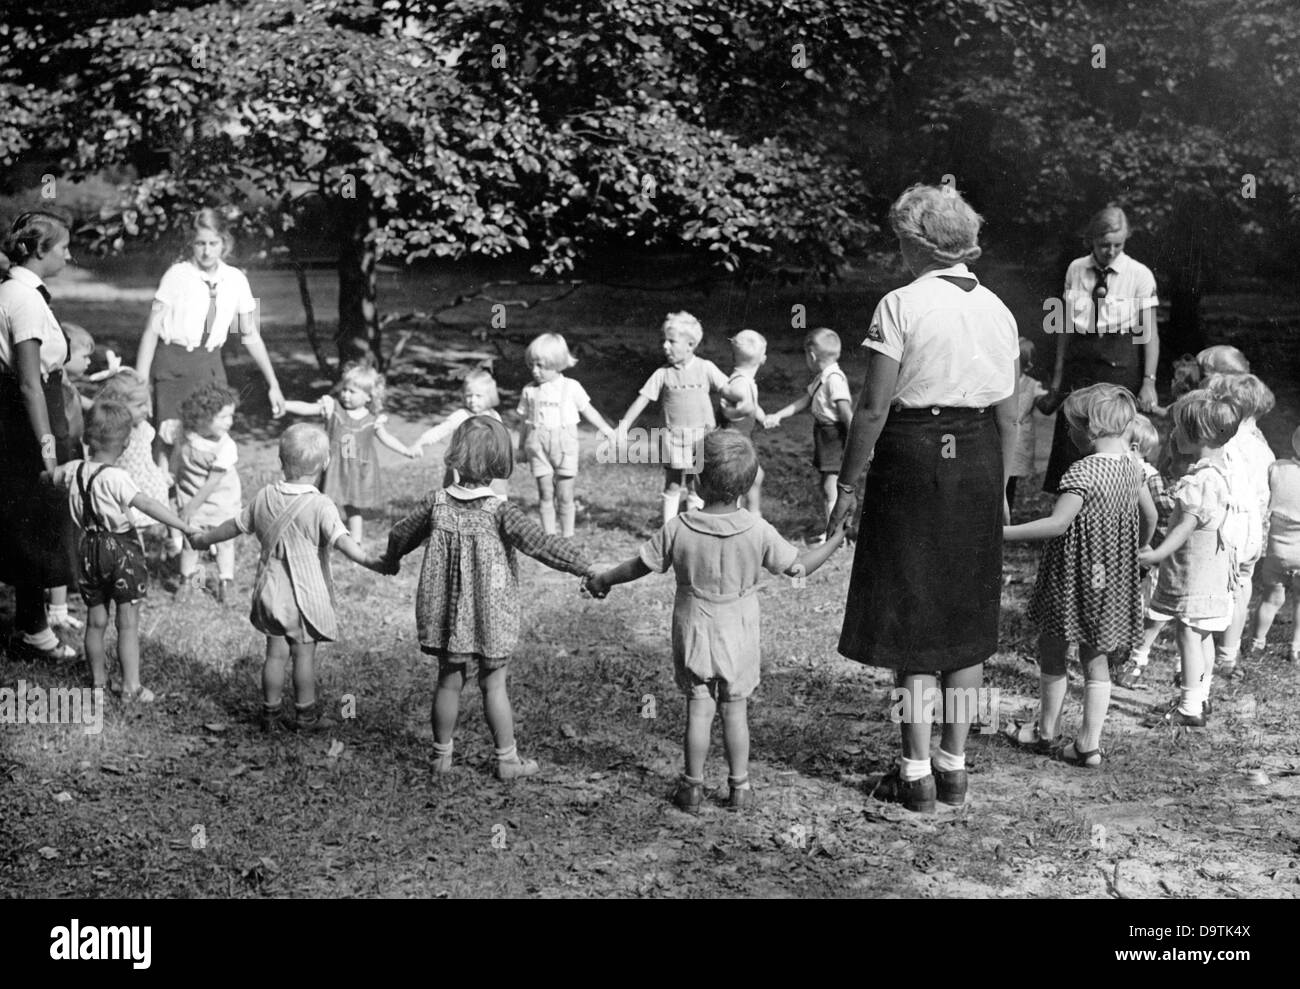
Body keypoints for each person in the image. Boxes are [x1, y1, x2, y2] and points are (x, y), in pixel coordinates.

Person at [826, 183, 1019, 813]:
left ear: (918, 243)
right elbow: (1011, 419)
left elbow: (874, 406)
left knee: (915, 612)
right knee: (964, 619)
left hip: (912, 453)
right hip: (981, 458)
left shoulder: (900, 304)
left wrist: (848, 484)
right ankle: (954, 768)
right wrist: (1003, 491)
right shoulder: (1000, 310)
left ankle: (915, 775)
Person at [586, 431, 844, 812]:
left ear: (697, 480)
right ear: (749, 483)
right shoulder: (757, 529)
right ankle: (739, 787)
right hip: (738, 632)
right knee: (734, 710)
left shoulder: (679, 527)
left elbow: (639, 566)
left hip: (693, 628)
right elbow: (798, 567)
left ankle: (692, 787)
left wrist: (604, 578)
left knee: (699, 708)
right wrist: (834, 542)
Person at [379, 416, 601, 780]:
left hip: (447, 616)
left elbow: (400, 533)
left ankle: (440, 757)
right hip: (490, 616)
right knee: (493, 683)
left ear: (455, 456)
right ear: (500, 462)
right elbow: (542, 544)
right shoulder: (500, 511)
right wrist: (585, 567)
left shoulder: (436, 503)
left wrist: (390, 560)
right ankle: (506, 760)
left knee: (448, 680)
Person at [191, 424, 387, 731]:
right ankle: (304, 716)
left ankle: (270, 714)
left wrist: (204, 540)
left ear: (281, 460)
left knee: (274, 654)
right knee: (303, 656)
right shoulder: (321, 505)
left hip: (270, 592)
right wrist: (371, 561)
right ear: (325, 463)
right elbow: (344, 543)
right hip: (304, 597)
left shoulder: (264, 497)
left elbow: (232, 526)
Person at [1003, 385, 1156, 767]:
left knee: (1053, 649)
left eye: (1071, 425)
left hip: (1073, 576)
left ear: (1089, 430)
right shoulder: (1132, 467)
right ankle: (1088, 744)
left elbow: (1057, 525)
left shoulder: (1083, 470)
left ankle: (1045, 731)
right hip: (1112, 575)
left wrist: (1000, 534)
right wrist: (1137, 549)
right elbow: (1150, 515)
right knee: (1095, 656)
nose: (1067, 432)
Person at [48, 401, 201, 702]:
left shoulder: (73, 471)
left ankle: (98, 686)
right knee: (127, 622)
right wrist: (183, 527)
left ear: (86, 438)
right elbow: (149, 505)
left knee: (96, 620)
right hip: (121, 550)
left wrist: (45, 455)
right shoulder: (117, 477)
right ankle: (131, 686)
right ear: (127, 443)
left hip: (88, 548)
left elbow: (49, 476)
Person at [0, 209, 79, 661]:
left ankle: (36, 622)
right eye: (63, 247)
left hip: (26, 411)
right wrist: (48, 448)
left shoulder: (14, 290)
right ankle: (34, 631)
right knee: (37, 517)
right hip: (33, 415)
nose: (69, 255)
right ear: (40, 251)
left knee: (32, 518)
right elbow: (30, 381)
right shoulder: (25, 300)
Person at [1137, 391, 1241, 727]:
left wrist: (1157, 552)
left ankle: (1189, 707)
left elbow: (1185, 526)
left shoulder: (1199, 481)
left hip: (1195, 572)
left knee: (1188, 634)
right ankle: (1199, 695)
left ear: (1202, 436)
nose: (1174, 435)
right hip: (1212, 570)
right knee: (1203, 634)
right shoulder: (1219, 473)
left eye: (1180, 429)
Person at [135, 208, 285, 432]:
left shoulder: (236, 279)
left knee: (211, 439)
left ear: (225, 243)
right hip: (173, 367)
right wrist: (141, 384)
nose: (206, 251)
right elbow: (151, 332)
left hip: (211, 367)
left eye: (213, 243)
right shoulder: (176, 275)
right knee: (171, 440)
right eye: (200, 244)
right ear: (191, 244)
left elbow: (250, 334)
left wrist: (273, 383)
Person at [1044, 206, 1160, 493]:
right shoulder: (1076, 269)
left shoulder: (1139, 274)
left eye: (1118, 245)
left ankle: (1113, 502)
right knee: (1073, 436)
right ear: (1092, 240)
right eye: (1104, 244)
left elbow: (1149, 333)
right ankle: (1068, 508)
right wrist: (1058, 379)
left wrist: (1149, 382)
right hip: (1080, 359)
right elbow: (1064, 325)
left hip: (1120, 360)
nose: (1110, 251)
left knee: (1112, 435)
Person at [618, 312, 746, 525]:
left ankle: (693, 526)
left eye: (671, 341)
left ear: (691, 344)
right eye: (663, 341)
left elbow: (729, 389)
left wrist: (743, 395)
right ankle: (669, 529)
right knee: (673, 483)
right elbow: (642, 400)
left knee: (698, 483)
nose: (665, 347)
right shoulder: (662, 374)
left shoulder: (705, 368)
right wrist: (624, 427)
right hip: (673, 437)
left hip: (701, 438)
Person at [283, 361, 419, 542]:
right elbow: (309, 408)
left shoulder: (372, 420)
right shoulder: (334, 410)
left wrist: (406, 450)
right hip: (333, 468)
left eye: (352, 391)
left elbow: (387, 439)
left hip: (357, 470)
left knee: (353, 507)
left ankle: (356, 542)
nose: (346, 395)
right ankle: (317, 536)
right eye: (344, 389)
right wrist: (284, 404)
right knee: (323, 502)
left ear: (368, 396)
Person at [1203, 371, 1275, 676]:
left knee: (1212, 583)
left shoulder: (1228, 443)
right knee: (1242, 586)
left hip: (1229, 524)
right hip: (1254, 526)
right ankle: (1228, 653)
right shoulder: (1262, 445)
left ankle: (1199, 645)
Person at [515, 333, 615, 536]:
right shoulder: (529, 391)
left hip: (564, 445)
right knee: (545, 493)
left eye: (541, 366)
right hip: (537, 445)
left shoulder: (571, 387)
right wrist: (520, 448)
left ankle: (567, 537)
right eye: (531, 365)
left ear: (557, 364)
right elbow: (524, 422)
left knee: (565, 495)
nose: (535, 371)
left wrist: (605, 429)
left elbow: (589, 410)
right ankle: (549, 537)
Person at [764, 327, 854, 536]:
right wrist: (779, 415)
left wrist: (854, 441)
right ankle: (832, 529)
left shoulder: (834, 380)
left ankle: (836, 534)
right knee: (827, 484)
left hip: (834, 436)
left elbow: (846, 413)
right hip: (824, 435)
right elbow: (805, 401)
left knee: (831, 485)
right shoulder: (822, 377)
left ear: (812, 356)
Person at [162, 383, 242, 601]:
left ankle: (226, 583)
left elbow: (212, 482)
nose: (230, 422)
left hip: (220, 500)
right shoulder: (183, 431)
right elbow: (164, 439)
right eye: (224, 417)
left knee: (224, 542)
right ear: (202, 417)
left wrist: (190, 507)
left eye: (231, 416)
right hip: (191, 495)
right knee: (192, 542)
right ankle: (191, 582)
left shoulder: (226, 446)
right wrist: (167, 469)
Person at [45, 322, 95, 633]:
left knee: (69, 527)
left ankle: (61, 601)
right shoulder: (57, 388)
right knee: (60, 529)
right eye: (84, 356)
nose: (89, 362)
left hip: (74, 453)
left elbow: (88, 406)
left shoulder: (67, 385)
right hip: (63, 459)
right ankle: (56, 608)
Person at [92, 369, 172, 538]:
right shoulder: (115, 434)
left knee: (153, 534)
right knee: (129, 534)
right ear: (118, 406)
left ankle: (156, 556)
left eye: (146, 403)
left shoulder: (143, 427)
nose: (145, 410)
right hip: (128, 491)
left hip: (149, 488)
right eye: (139, 405)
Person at [413, 369, 509, 498]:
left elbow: (501, 440)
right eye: (469, 395)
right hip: (462, 469)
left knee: (495, 498)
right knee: (457, 500)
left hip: (488, 467)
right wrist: (420, 442)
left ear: (490, 396)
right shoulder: (461, 416)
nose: (473, 400)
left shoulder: (494, 416)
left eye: (478, 396)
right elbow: (440, 430)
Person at [1248, 426, 1300, 663]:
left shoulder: (1277, 468)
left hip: (1277, 550)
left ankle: (1257, 643)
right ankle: (1296, 647)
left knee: (1271, 598)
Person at [718, 329, 767, 515]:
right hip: (735, 437)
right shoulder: (739, 383)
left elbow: (752, 404)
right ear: (762, 358)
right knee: (746, 476)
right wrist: (744, 411)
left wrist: (762, 416)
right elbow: (728, 411)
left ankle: (751, 514)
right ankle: (748, 514)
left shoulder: (745, 380)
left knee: (754, 475)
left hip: (743, 435)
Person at [1005, 337, 1051, 511]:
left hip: (1020, 439)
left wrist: (1057, 394)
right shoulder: (1002, 381)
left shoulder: (1032, 385)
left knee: (1011, 479)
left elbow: (1046, 407)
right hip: (1002, 434)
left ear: (1027, 366)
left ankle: (1007, 512)